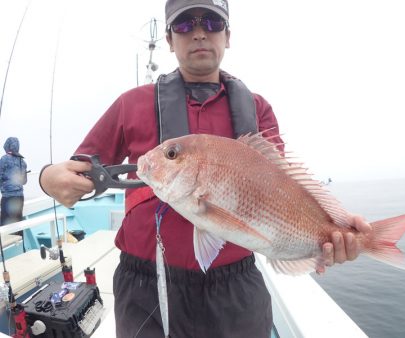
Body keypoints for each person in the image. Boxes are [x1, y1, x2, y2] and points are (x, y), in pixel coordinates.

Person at [39, 1, 372, 337]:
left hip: (235, 288)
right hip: (144, 285)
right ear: (169, 39)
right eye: (184, 25)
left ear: (228, 36)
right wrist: (47, 177)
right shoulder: (131, 103)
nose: (198, 33)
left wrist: (335, 231)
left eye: (211, 23)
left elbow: (284, 190)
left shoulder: (258, 109)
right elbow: (79, 168)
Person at [0, 136, 28, 226]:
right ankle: (20, 239)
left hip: (8, 197)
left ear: (7, 146)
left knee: (5, 223)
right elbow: (24, 181)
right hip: (20, 197)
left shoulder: (3, 159)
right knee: (18, 221)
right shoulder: (23, 162)